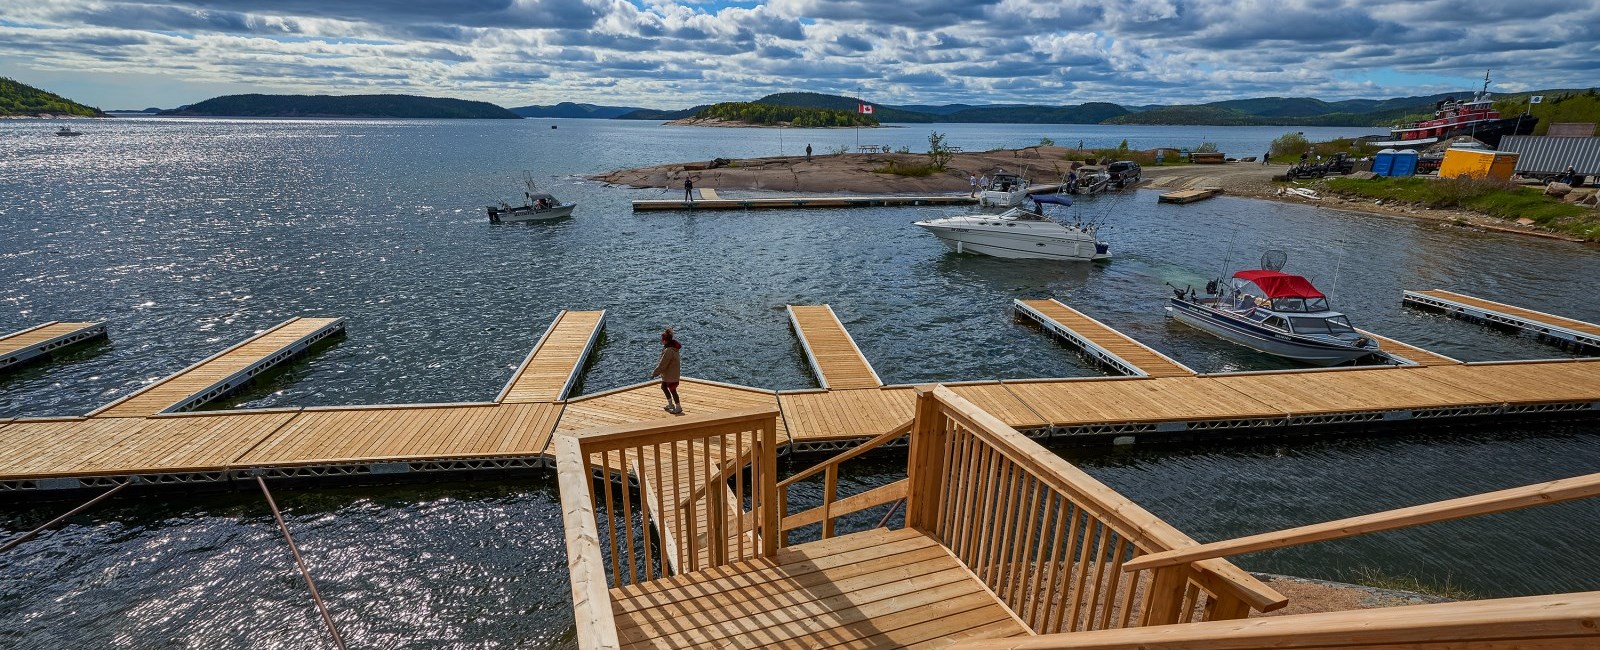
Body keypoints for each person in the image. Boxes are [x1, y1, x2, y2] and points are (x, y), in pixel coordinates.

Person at [651, 328, 683, 414]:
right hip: (669, 374)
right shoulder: (672, 348)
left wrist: (654, 373)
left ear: (665, 340)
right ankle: (670, 404)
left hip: (671, 374)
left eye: (662, 340)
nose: (661, 341)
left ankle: (678, 407)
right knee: (664, 387)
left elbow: (663, 364)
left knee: (673, 390)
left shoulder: (668, 350)